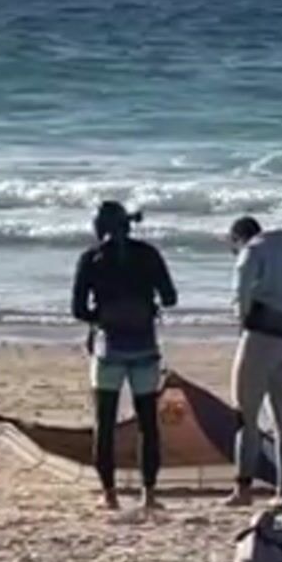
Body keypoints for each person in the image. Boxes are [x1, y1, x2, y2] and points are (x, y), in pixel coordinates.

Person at [71, 201, 177, 511]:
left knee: (104, 424)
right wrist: (147, 304)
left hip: (108, 348)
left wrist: (100, 315)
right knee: (148, 424)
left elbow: (78, 309)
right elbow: (170, 298)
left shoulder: (91, 258)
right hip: (144, 346)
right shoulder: (148, 254)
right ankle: (149, 494)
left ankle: (110, 494)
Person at [226, 215, 282, 506]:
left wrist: (242, 323)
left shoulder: (250, 253)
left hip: (259, 336)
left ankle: (243, 489)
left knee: (245, 415)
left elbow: (240, 294)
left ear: (238, 238)